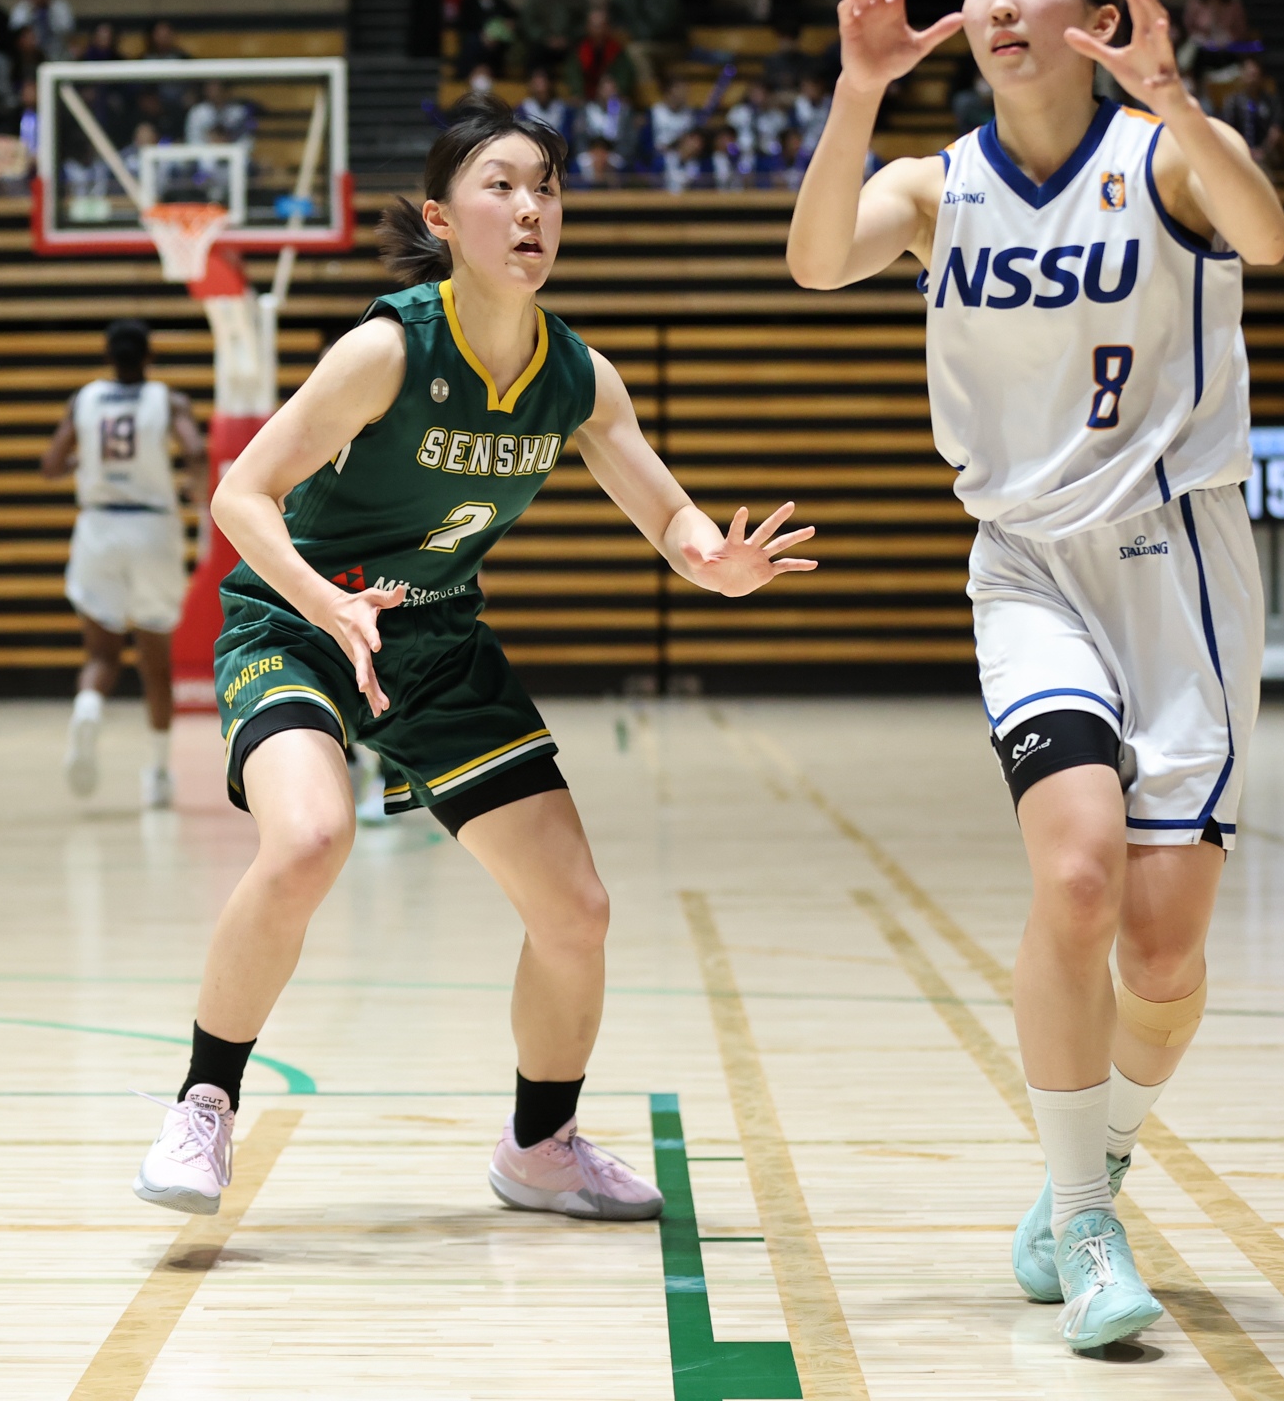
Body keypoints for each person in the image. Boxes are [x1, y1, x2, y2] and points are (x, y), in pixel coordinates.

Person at [131, 92, 817, 1220]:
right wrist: (327, 604)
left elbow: (669, 515)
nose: (531, 208)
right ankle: (203, 1104)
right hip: (299, 620)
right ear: (442, 219)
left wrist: (714, 561)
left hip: (437, 638)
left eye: (546, 187)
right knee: (309, 837)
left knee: (576, 910)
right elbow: (240, 494)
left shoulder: (578, 377)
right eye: (501, 186)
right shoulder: (388, 348)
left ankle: (539, 1147)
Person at [784, 0, 1284, 1353]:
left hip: (1180, 569)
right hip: (1025, 570)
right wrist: (858, 87)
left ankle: (1100, 1154)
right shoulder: (934, 185)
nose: (1001, 2)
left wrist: (1175, 96)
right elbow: (815, 263)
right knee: (1074, 878)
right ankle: (1085, 1223)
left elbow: (1265, 236)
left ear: (1091, 14)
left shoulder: (1160, 158)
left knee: (1164, 955)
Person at [40, 319, 205, 807]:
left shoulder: (84, 400)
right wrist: (194, 488)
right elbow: (196, 451)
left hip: (98, 529)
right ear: (149, 356)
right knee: (155, 662)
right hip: (152, 529)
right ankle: (158, 774)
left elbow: (51, 465)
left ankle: (89, 707)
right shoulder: (168, 401)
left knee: (101, 655)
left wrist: (83, 463)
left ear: (108, 357)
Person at [1181, 0, 1254, 79]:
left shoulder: (1233, 6)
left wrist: (1229, 38)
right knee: (1192, 51)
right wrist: (1202, 38)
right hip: (1202, 47)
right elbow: (1188, 28)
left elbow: (1241, 30)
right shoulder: (1195, 4)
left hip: (1227, 48)